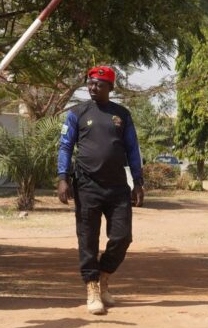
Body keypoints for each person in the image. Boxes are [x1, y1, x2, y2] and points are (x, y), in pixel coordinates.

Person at [57, 65, 144, 315]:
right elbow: (65, 147)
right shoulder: (77, 113)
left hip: (117, 186)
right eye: (91, 83)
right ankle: (92, 288)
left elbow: (132, 149)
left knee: (122, 237)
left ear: (111, 87)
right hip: (86, 185)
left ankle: (104, 276)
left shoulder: (122, 115)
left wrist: (138, 181)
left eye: (99, 84)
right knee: (88, 239)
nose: (93, 87)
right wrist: (63, 177)